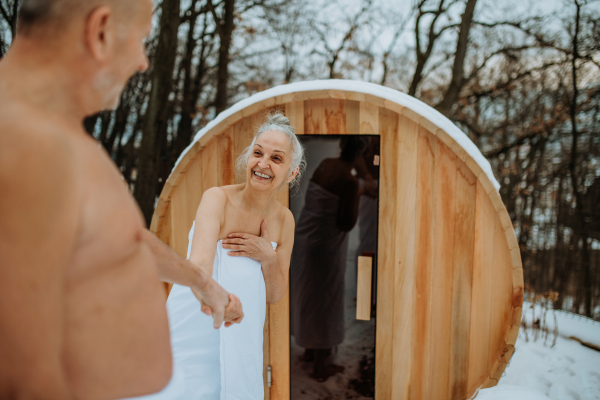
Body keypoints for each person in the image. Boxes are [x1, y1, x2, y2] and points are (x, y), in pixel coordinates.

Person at [0, 1, 243, 399]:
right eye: (142, 38)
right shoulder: (29, 149)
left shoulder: (49, 136)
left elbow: (115, 238)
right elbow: (21, 379)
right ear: (101, 30)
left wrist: (200, 281)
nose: (143, 62)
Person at [163, 113, 304, 399]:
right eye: (258, 153)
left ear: (292, 172)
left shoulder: (284, 221)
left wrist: (267, 256)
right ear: (248, 158)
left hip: (242, 330)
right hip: (196, 320)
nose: (263, 164)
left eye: (276, 158)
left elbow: (275, 293)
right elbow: (200, 265)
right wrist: (218, 301)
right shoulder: (217, 199)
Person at [290, 137, 368, 382]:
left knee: (309, 294)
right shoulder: (349, 180)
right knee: (324, 298)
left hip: (305, 239)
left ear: (342, 145)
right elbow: (346, 223)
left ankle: (310, 352)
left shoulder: (325, 164)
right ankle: (320, 368)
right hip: (325, 247)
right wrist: (361, 191)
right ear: (361, 153)